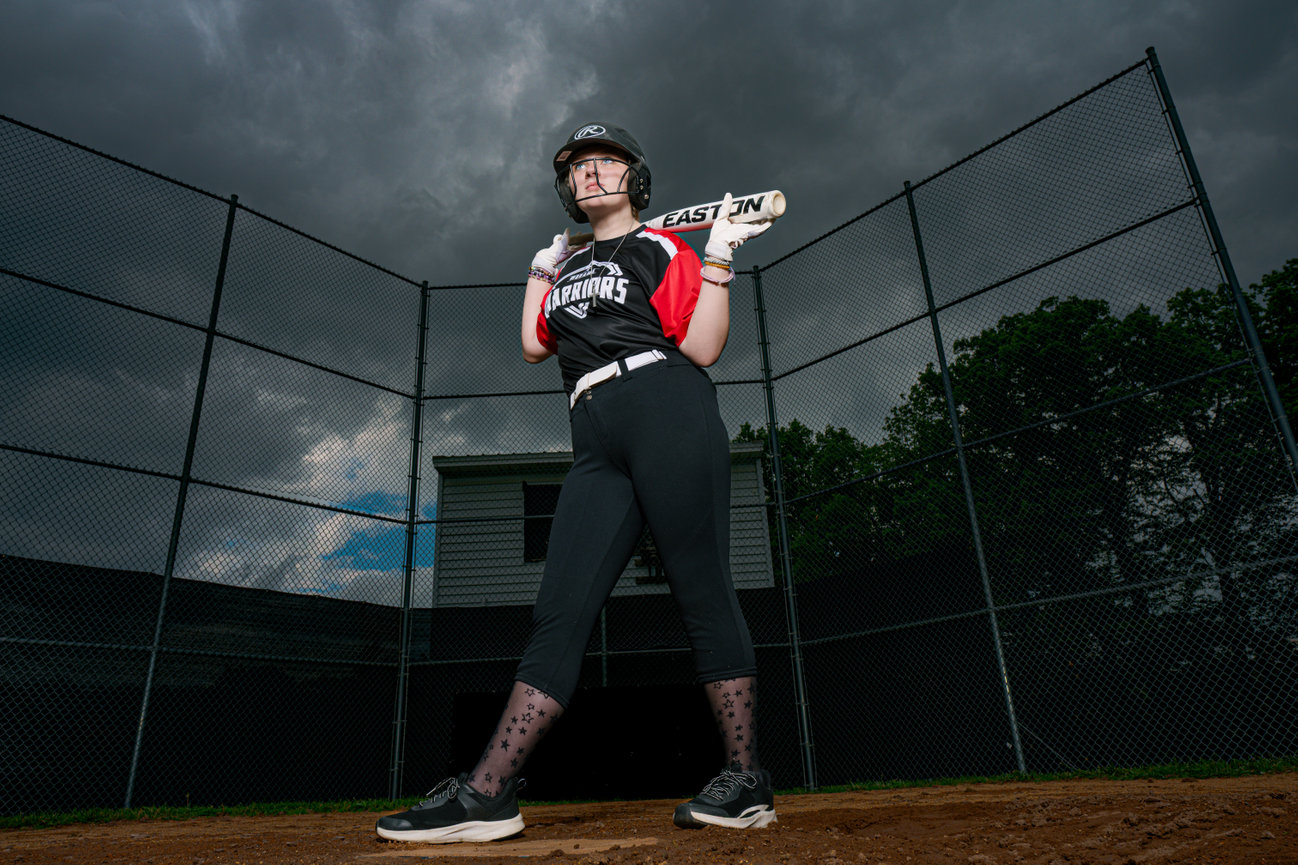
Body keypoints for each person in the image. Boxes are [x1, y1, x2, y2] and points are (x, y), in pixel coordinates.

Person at [377, 122, 776, 844]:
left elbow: (703, 347)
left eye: (606, 161)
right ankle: (488, 792)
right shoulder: (563, 269)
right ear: (569, 189)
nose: (591, 173)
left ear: (634, 176)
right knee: (559, 611)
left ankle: (746, 778)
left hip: (668, 406)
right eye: (579, 167)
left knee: (702, 589)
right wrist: (538, 270)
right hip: (592, 435)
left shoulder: (662, 248)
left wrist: (716, 256)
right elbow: (534, 345)